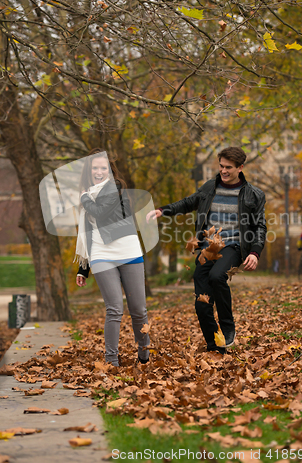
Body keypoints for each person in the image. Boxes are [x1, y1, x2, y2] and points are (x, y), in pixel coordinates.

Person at [147, 146, 266, 354]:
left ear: (240, 168)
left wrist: (255, 252)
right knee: (202, 302)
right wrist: (163, 210)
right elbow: (188, 202)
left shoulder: (253, 195)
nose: (224, 170)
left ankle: (228, 328)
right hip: (207, 248)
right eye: (221, 166)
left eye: (229, 167)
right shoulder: (210, 187)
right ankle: (216, 347)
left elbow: (260, 227)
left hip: (234, 246)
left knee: (217, 276)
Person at [75, 149, 150, 367]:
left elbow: (99, 212)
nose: (99, 172)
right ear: (89, 171)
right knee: (115, 307)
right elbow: (87, 235)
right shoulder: (88, 193)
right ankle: (111, 361)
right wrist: (83, 268)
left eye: (103, 168)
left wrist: (82, 197)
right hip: (101, 253)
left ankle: (144, 353)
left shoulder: (115, 187)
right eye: (95, 168)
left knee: (138, 310)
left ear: (110, 169)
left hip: (129, 251)